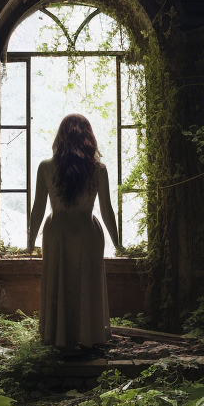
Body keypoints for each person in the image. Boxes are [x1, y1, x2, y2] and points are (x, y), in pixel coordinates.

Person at [27, 114, 123, 356]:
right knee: (86, 283)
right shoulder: (98, 170)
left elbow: (38, 207)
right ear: (88, 138)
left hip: (57, 231)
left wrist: (30, 241)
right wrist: (117, 242)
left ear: (61, 137)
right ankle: (89, 336)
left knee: (59, 281)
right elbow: (106, 209)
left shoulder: (46, 167)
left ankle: (58, 337)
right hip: (87, 232)